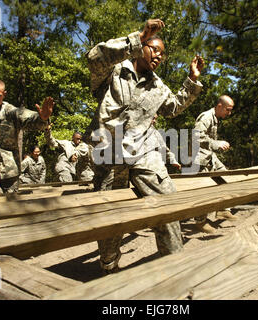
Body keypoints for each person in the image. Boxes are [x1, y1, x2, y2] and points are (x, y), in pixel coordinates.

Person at [84, 18, 204, 274]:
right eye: (154, 49)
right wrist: (137, 37)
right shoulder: (113, 71)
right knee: (110, 217)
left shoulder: (158, 86)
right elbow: (95, 57)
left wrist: (191, 81)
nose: (159, 56)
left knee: (169, 204)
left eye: (163, 53)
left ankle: (175, 267)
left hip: (143, 150)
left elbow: (172, 108)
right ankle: (109, 264)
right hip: (109, 151)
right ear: (141, 48)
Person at [192, 95, 237, 233]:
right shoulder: (206, 117)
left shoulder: (215, 118)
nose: (229, 113)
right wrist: (217, 143)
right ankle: (200, 222)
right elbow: (196, 136)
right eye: (227, 110)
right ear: (219, 106)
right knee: (205, 191)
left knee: (225, 177)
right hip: (199, 159)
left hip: (210, 156)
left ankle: (222, 209)